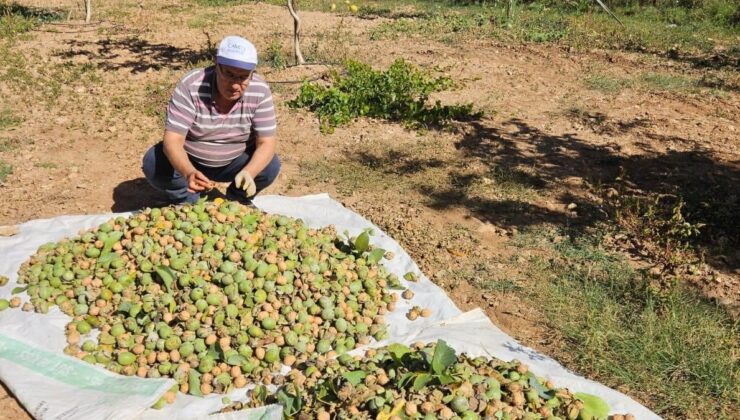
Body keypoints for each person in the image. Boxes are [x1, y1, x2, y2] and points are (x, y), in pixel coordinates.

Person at [142, 35, 280, 204]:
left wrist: (249, 173)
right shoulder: (191, 85)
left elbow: (266, 142)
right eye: (229, 74)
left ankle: (237, 199)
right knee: (154, 162)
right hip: (191, 160)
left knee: (269, 165)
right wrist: (188, 172)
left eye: (243, 77)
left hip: (235, 162)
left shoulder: (259, 90)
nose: (235, 85)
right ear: (216, 65)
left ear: (252, 73)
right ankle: (188, 200)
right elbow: (173, 140)